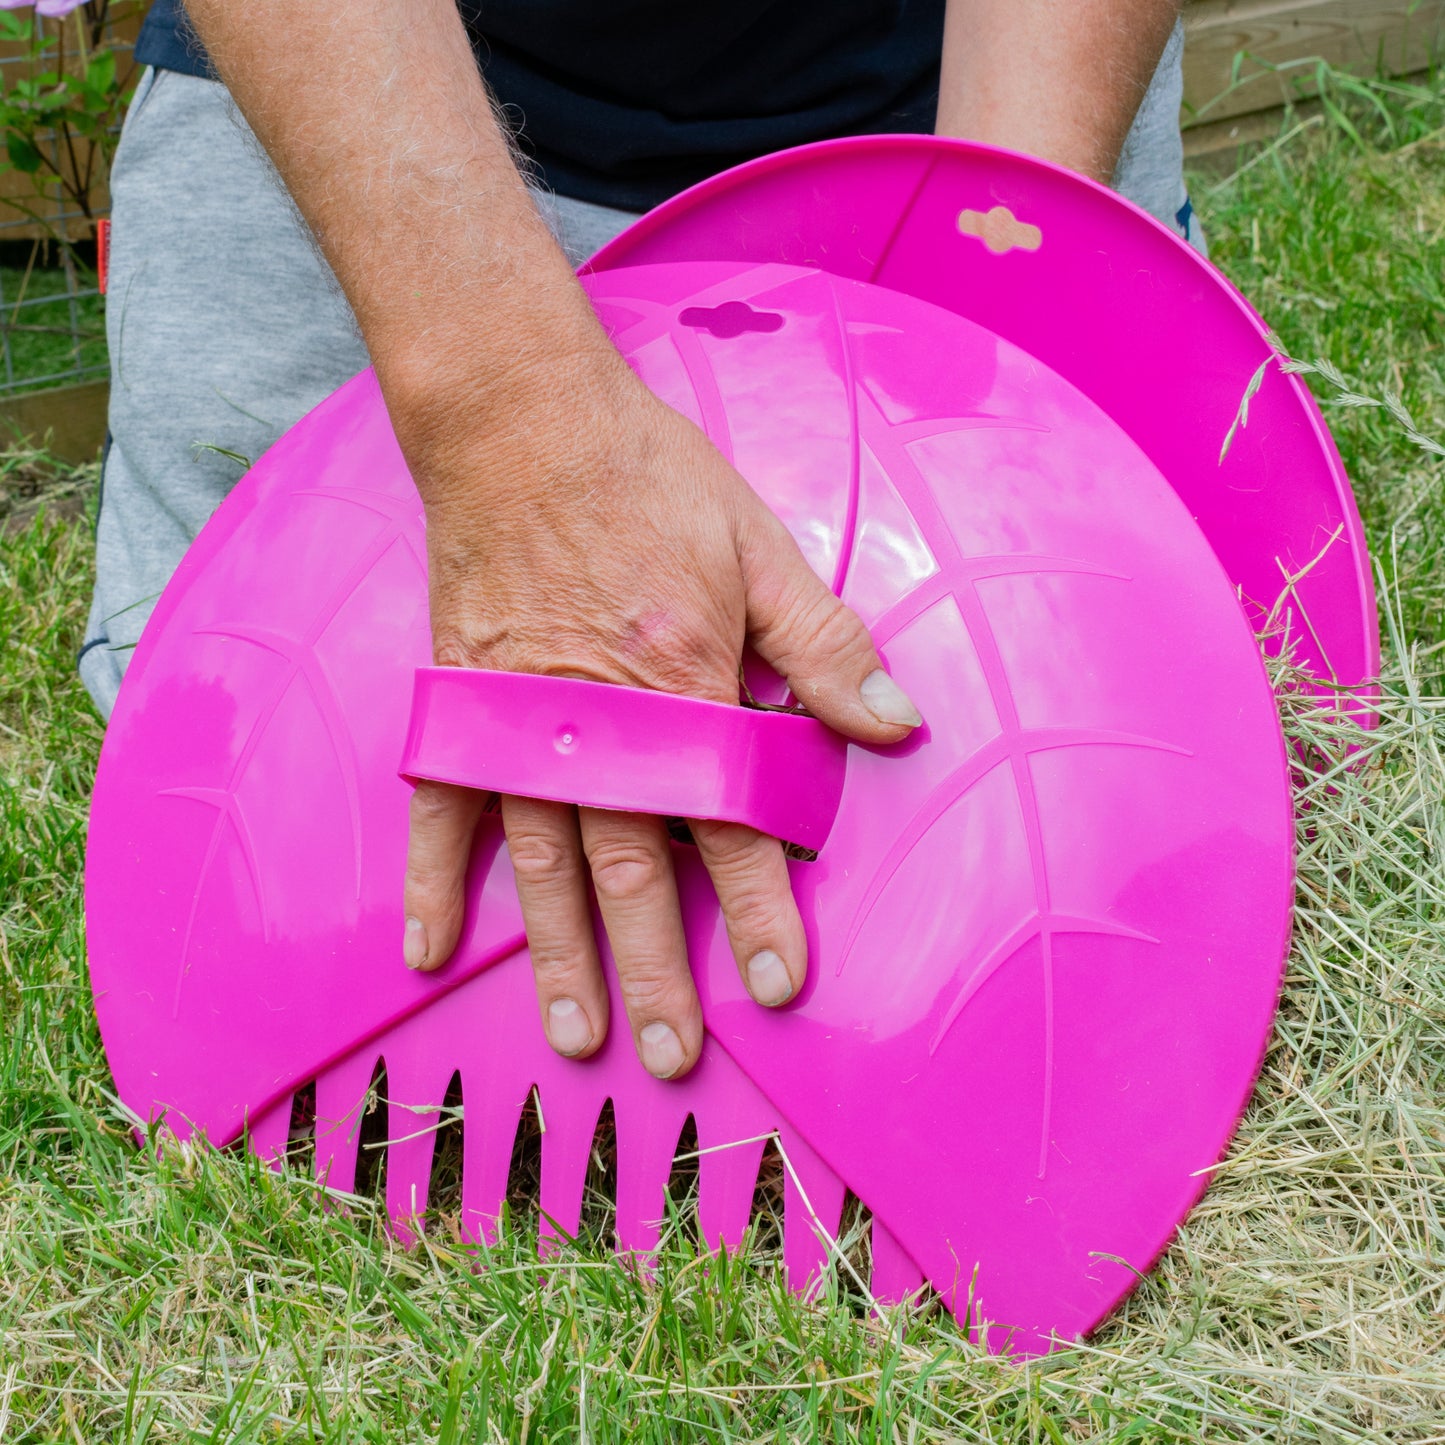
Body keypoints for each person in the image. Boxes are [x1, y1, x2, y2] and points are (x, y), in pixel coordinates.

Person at [80, 0, 1199, 1082]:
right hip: (369, 129)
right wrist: (502, 424)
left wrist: (980, 310)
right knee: (289, 835)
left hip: (978, 115)